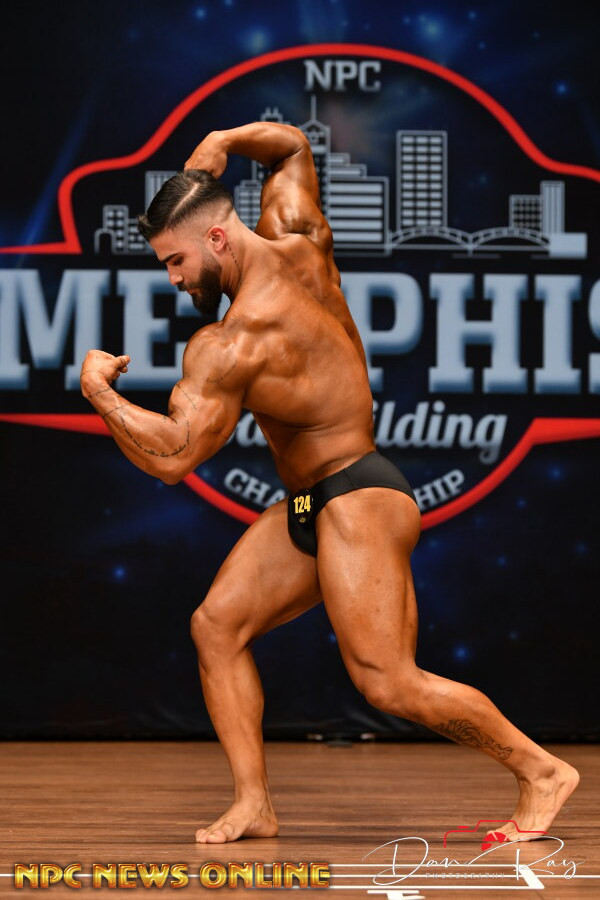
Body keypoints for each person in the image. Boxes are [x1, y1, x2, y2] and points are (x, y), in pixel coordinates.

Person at [80, 122, 579, 844]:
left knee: (387, 682)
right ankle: (254, 802)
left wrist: (100, 394)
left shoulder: (234, 344)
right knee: (217, 626)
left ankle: (541, 770)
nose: (175, 279)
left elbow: (173, 458)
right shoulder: (299, 236)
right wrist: (224, 139)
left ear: (216, 239)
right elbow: (289, 147)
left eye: (176, 261)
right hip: (313, 501)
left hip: (357, 498)